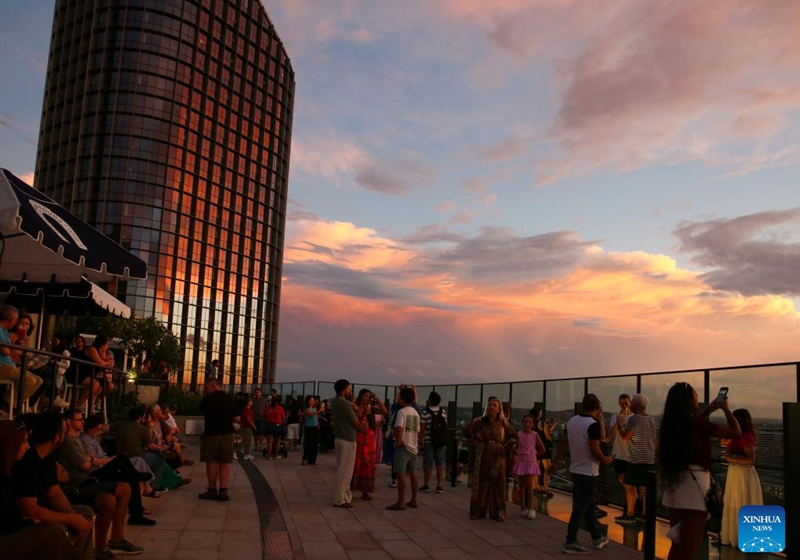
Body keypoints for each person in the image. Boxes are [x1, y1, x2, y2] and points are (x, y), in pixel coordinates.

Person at [14, 411, 143, 559]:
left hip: (81, 480)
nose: (83, 422)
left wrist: (72, 516)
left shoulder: (47, 456)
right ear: (57, 437)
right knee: (117, 479)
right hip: (79, 482)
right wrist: (72, 518)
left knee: (93, 506)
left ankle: (92, 552)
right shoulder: (27, 461)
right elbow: (29, 508)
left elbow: (54, 492)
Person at [658, 382, 741, 560]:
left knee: (678, 544)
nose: (698, 397)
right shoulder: (694, 423)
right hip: (694, 488)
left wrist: (709, 411)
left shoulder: (671, 423)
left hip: (675, 485)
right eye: (695, 394)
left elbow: (694, 429)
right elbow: (736, 432)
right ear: (687, 400)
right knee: (691, 546)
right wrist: (726, 409)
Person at [0, 419, 93, 560]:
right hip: (7, 536)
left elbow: (55, 492)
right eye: (24, 442)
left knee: (82, 515)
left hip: (16, 525)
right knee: (52, 531)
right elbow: (19, 513)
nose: (28, 446)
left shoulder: (9, 469)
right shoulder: (22, 465)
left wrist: (73, 518)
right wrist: (33, 522)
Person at [58, 408, 155, 526]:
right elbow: (85, 465)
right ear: (69, 422)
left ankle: (136, 513)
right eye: (79, 419)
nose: (83, 422)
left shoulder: (77, 438)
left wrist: (90, 459)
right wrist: (91, 459)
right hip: (87, 478)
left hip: (93, 471)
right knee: (121, 461)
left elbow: (89, 458)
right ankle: (136, 508)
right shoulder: (69, 441)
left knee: (128, 474)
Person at [551, 394, 611, 554]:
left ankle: (597, 537)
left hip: (575, 470)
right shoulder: (592, 425)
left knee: (587, 506)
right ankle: (570, 541)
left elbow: (564, 443)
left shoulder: (572, 421)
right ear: (598, 407)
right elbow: (595, 447)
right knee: (580, 508)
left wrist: (555, 460)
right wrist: (605, 459)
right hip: (588, 472)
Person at [80, 413, 159, 499]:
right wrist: (111, 459)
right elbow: (94, 460)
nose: (98, 432)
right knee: (136, 462)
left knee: (137, 461)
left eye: (100, 429)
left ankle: (143, 489)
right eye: (97, 429)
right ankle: (145, 490)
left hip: (106, 461)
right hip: (102, 466)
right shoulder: (85, 438)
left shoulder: (93, 438)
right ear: (90, 427)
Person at [463, 396, 518, 521]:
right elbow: (466, 431)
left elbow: (514, 436)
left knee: (498, 483)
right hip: (484, 453)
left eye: (494, 405)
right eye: (490, 405)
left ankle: (498, 511)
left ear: (499, 409)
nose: (491, 407)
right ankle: (478, 511)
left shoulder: (503, 423)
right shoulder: (479, 421)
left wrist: (505, 444)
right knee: (482, 482)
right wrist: (476, 442)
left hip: (499, 456)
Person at [721, 408, 762, 548]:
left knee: (742, 504)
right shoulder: (738, 435)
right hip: (736, 473)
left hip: (743, 474)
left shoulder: (746, 436)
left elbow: (751, 460)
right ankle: (736, 538)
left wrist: (731, 458)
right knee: (735, 504)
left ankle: (746, 540)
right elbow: (723, 441)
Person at [617, 393, 657, 522]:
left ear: (637, 405)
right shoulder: (650, 419)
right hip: (649, 458)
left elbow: (625, 438)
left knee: (628, 484)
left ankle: (630, 514)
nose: (631, 405)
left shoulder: (634, 419)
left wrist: (619, 426)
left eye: (632, 403)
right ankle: (644, 514)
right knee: (645, 487)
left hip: (636, 458)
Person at [198, 377, 238, 502]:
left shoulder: (207, 400)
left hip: (211, 434)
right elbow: (237, 418)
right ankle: (223, 490)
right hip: (227, 434)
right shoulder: (229, 399)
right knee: (224, 463)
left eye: (207, 388)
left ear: (213, 386)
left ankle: (212, 489)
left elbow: (203, 412)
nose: (206, 390)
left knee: (211, 462)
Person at [0, 305, 43, 414]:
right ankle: (7, 402)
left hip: (9, 366)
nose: (16, 323)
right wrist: (10, 349)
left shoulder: (4, 331)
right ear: (10, 319)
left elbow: (11, 351)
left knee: (39, 380)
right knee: (29, 380)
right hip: (2, 366)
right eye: (16, 320)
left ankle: (11, 404)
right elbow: (6, 352)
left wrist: (19, 341)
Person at [386, 386, 421, 511]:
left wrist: (398, 442)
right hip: (413, 447)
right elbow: (418, 430)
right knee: (413, 473)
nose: (398, 399)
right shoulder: (415, 413)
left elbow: (399, 428)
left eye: (399, 396)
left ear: (403, 398)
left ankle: (400, 501)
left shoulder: (401, 412)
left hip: (403, 447)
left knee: (400, 474)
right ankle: (414, 500)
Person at [331, 379, 364, 508]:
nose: (350, 391)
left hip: (339, 438)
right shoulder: (345, 404)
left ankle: (344, 496)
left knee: (342, 468)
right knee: (346, 471)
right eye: (349, 389)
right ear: (344, 390)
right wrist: (363, 427)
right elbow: (356, 423)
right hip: (347, 440)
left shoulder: (334, 402)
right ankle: (340, 498)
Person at [351, 389, 387, 501]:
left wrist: (377, 400)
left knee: (368, 464)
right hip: (360, 438)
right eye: (366, 396)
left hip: (370, 440)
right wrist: (363, 411)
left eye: (369, 396)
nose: (367, 398)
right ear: (361, 396)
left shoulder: (371, 408)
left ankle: (365, 491)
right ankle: (351, 488)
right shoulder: (355, 407)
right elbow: (356, 420)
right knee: (357, 463)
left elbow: (384, 411)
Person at [514, 414, 546, 520]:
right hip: (521, 461)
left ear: (533, 424)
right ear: (522, 422)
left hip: (530, 462)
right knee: (521, 484)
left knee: (529, 484)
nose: (527, 424)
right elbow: (514, 446)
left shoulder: (535, 434)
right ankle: (523, 507)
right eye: (526, 422)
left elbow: (542, 449)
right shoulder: (518, 434)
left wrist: (534, 455)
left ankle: (531, 507)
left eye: (530, 422)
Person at [609, 394, 635, 522]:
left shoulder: (634, 418)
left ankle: (630, 510)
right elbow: (613, 433)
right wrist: (618, 421)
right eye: (621, 403)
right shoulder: (615, 416)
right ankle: (630, 507)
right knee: (622, 479)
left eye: (626, 403)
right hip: (618, 453)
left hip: (629, 454)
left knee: (628, 482)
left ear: (630, 403)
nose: (624, 405)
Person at [419, 390, 448, 494]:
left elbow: (422, 430)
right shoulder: (443, 412)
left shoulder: (425, 412)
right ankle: (439, 485)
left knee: (428, 463)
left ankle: (426, 485)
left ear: (429, 401)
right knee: (440, 463)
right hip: (441, 441)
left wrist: (419, 442)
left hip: (428, 440)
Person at [530, 406, 554, 498]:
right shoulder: (542, 424)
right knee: (547, 470)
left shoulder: (531, 424)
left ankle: (534, 487)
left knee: (535, 470)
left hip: (534, 449)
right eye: (541, 412)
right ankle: (545, 488)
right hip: (543, 450)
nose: (542, 414)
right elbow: (547, 435)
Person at [263, 395, 286, 459]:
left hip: (269, 425)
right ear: (277, 402)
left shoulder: (267, 408)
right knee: (277, 441)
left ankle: (269, 455)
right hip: (277, 425)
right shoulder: (280, 408)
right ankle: (276, 455)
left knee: (269, 441)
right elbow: (283, 418)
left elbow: (264, 417)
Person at [301, 395, 321, 466]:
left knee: (314, 445)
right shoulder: (306, 409)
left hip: (315, 427)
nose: (312, 402)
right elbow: (311, 415)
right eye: (311, 401)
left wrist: (317, 423)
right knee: (309, 444)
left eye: (313, 401)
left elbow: (315, 417)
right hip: (309, 428)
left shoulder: (314, 408)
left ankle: (312, 460)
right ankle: (304, 459)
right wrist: (319, 411)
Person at [236, 395, 256, 460]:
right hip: (246, 427)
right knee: (245, 440)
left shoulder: (249, 410)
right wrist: (253, 426)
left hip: (248, 427)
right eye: (251, 401)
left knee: (248, 441)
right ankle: (234, 451)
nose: (252, 402)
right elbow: (248, 419)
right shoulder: (247, 410)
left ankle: (247, 454)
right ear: (248, 402)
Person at [252, 388, 267, 453]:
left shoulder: (264, 400)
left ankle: (261, 446)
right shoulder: (253, 400)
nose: (257, 393)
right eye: (256, 392)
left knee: (261, 433)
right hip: (254, 419)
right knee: (255, 433)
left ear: (261, 393)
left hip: (262, 419)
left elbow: (267, 408)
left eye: (258, 392)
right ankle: (256, 446)